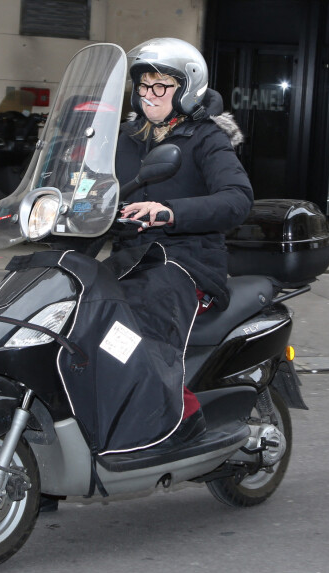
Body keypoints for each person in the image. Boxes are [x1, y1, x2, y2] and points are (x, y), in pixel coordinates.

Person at [109, 37, 254, 445]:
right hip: (129, 258)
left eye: (161, 85)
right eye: (143, 85)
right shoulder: (124, 137)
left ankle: (181, 421)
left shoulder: (207, 138)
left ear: (186, 88)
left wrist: (170, 210)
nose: (149, 94)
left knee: (141, 315)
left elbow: (237, 199)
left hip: (187, 262)